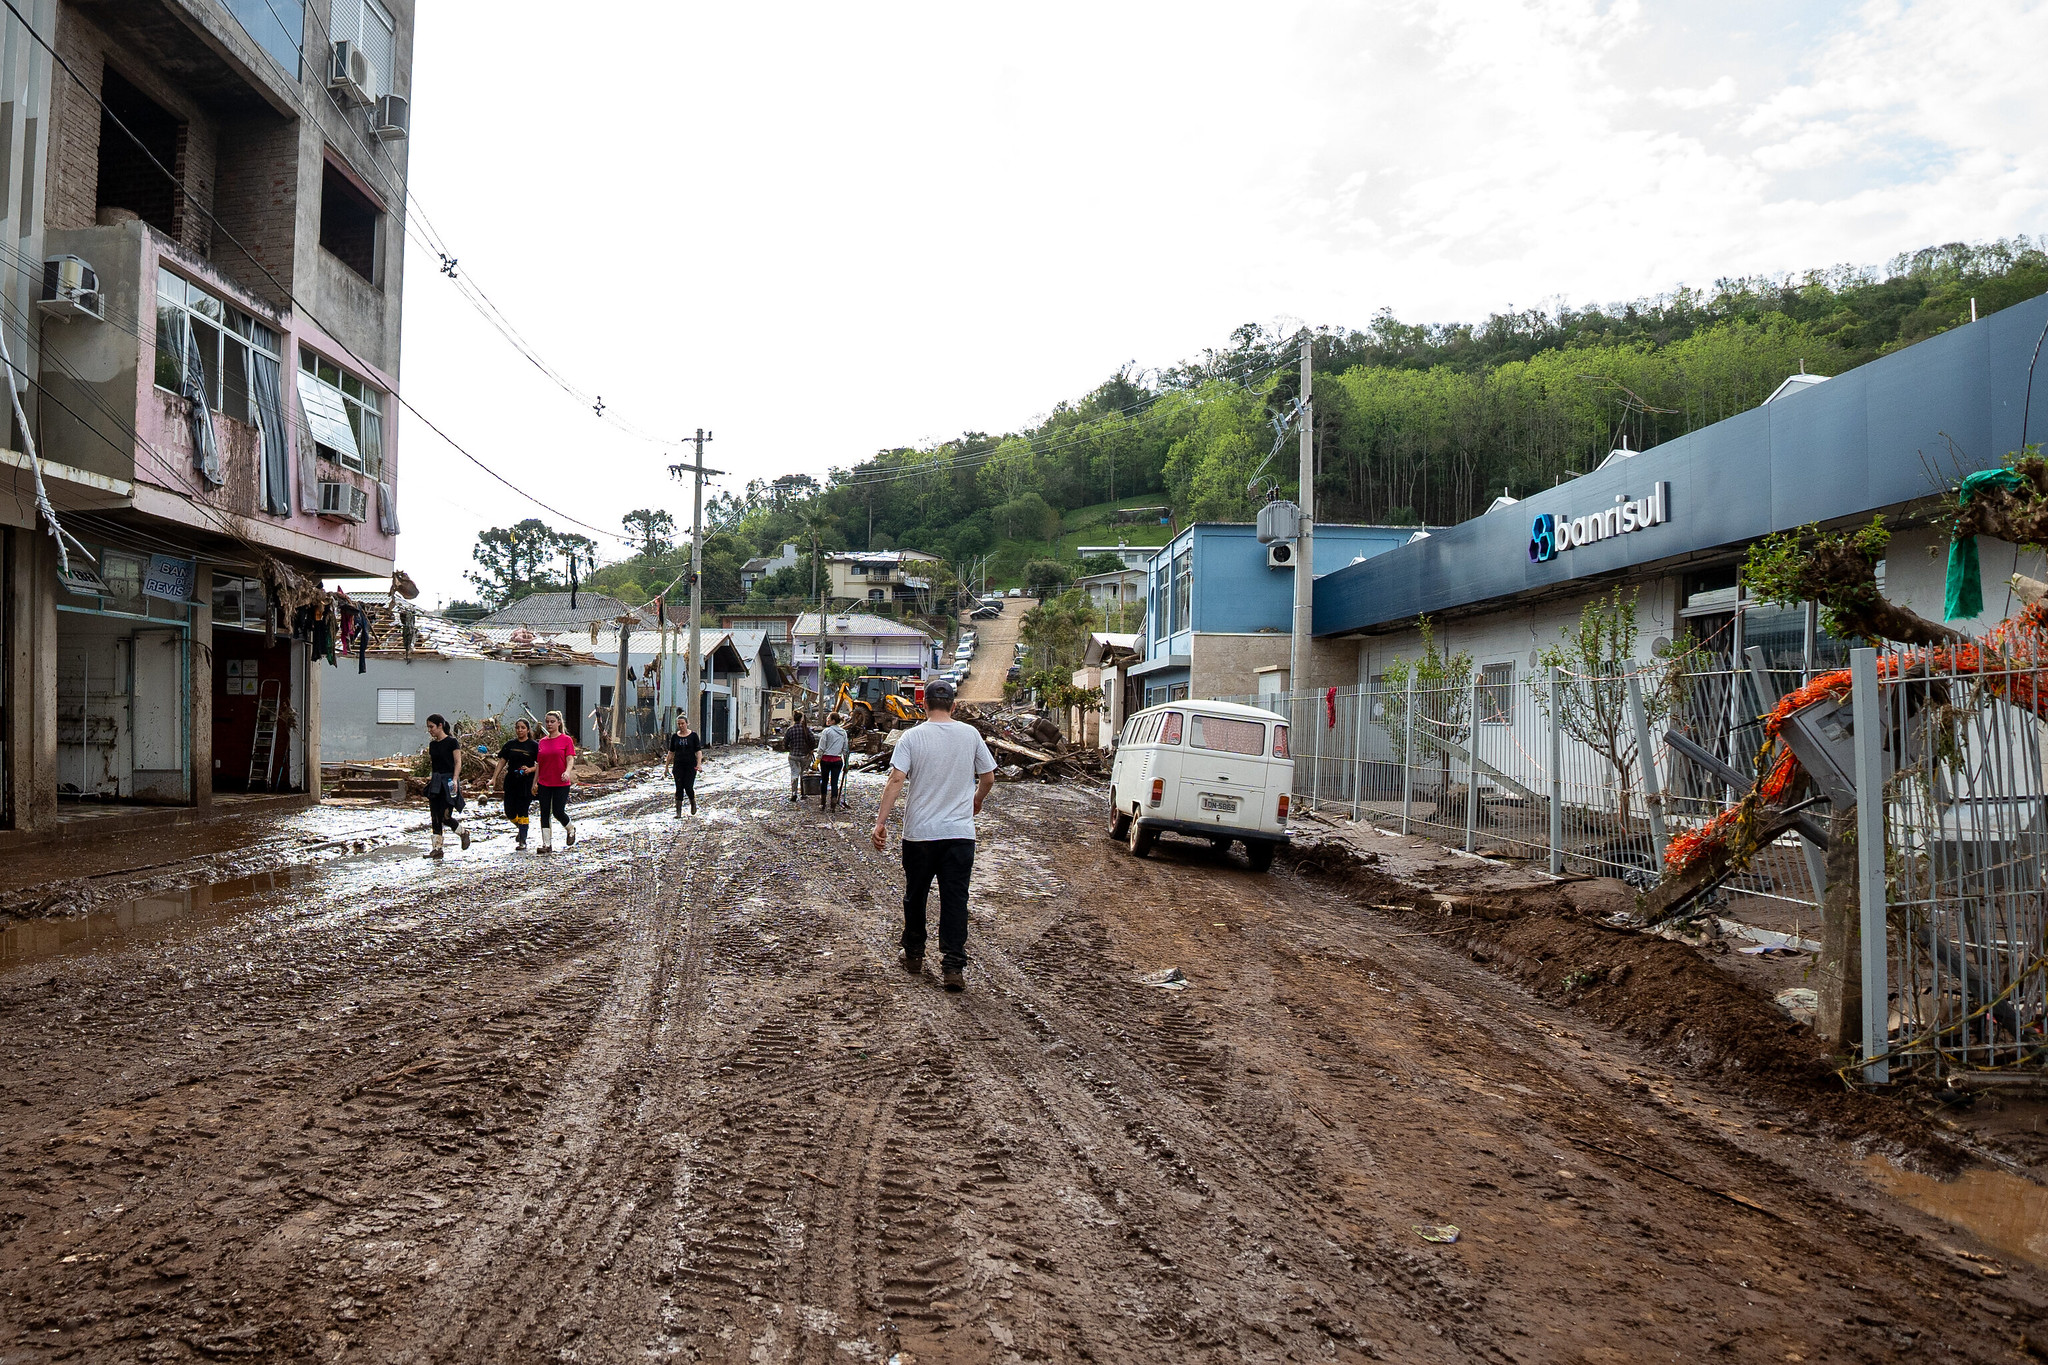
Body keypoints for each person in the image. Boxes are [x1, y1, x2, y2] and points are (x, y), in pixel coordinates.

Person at [870, 680, 995, 992]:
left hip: (920, 835)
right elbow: (989, 776)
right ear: (954, 706)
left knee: (916, 895)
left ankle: (913, 955)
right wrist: (976, 799)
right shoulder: (971, 735)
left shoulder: (912, 737)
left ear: (923, 705)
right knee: (955, 899)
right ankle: (953, 967)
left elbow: (896, 779)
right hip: (960, 835)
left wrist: (880, 822)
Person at [423, 714, 470, 858]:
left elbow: (457, 762)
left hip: (449, 780)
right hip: (436, 781)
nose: (430, 730)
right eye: (428, 727)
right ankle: (437, 849)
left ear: (440, 726)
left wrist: (455, 779)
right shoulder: (433, 745)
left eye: (431, 727)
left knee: (445, 815)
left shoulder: (452, 742)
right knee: (435, 815)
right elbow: (435, 765)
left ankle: (463, 832)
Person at [493, 717, 540, 851]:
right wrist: (494, 778)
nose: (520, 730)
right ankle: (521, 829)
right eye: (517, 727)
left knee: (523, 809)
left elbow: (541, 764)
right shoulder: (510, 744)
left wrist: (530, 770)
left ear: (528, 730)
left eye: (523, 728)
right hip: (512, 780)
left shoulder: (534, 746)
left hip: (527, 782)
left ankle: (523, 840)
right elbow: (502, 761)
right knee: (509, 811)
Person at [535, 709, 578, 852]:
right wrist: (535, 782)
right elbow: (539, 764)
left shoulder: (566, 740)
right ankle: (546, 844)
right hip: (544, 782)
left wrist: (567, 771)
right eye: (547, 722)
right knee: (544, 812)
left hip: (560, 781)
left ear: (559, 723)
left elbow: (570, 758)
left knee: (558, 811)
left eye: (552, 721)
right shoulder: (542, 742)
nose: (549, 724)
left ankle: (570, 828)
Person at [663, 711, 707, 816]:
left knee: (688, 786)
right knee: (679, 787)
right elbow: (671, 752)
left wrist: (699, 764)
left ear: (687, 723)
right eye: (679, 724)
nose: (681, 726)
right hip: (678, 766)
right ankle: (678, 812)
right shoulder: (675, 737)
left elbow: (698, 751)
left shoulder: (693, 736)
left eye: (682, 723)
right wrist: (666, 767)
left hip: (690, 766)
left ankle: (693, 802)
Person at [816, 711, 849, 810]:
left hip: (825, 760)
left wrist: (818, 759)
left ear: (833, 721)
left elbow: (821, 747)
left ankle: (823, 802)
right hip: (837, 760)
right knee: (834, 782)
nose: (827, 720)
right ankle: (833, 803)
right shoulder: (843, 733)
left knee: (824, 781)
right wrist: (846, 763)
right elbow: (845, 749)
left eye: (829, 719)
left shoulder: (826, 731)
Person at [785, 714, 817, 801]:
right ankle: (803, 793)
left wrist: (790, 749)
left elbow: (785, 743)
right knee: (804, 774)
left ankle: (794, 793)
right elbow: (813, 740)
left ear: (793, 719)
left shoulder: (790, 729)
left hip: (793, 755)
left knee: (794, 773)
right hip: (805, 755)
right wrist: (811, 749)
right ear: (801, 719)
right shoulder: (806, 729)